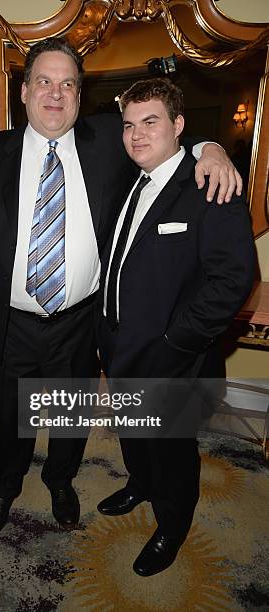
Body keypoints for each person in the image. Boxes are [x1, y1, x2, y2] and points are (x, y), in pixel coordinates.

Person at [0, 38, 242, 538]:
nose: (55, 93)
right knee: (11, 419)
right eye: (43, 81)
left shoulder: (111, 139)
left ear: (80, 95)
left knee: (70, 413)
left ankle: (61, 479)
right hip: (13, 321)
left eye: (68, 83)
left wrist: (210, 148)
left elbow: (167, 136)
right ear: (24, 92)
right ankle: (5, 486)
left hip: (80, 319)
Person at [96, 78, 255, 577]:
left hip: (171, 355)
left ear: (178, 126)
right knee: (132, 432)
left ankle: (172, 523)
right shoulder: (128, 177)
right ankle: (139, 484)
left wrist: (175, 343)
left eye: (151, 122)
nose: (137, 135)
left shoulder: (209, 183)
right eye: (129, 125)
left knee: (170, 448)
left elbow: (234, 278)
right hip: (119, 344)